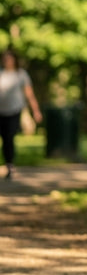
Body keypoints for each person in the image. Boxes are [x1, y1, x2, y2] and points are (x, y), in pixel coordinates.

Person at [0, 49, 42, 180]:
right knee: (3, 137)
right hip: (0, 111)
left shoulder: (21, 74)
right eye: (5, 58)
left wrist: (35, 110)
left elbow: (29, 94)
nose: (7, 61)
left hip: (14, 110)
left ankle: (10, 165)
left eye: (9, 58)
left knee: (9, 137)